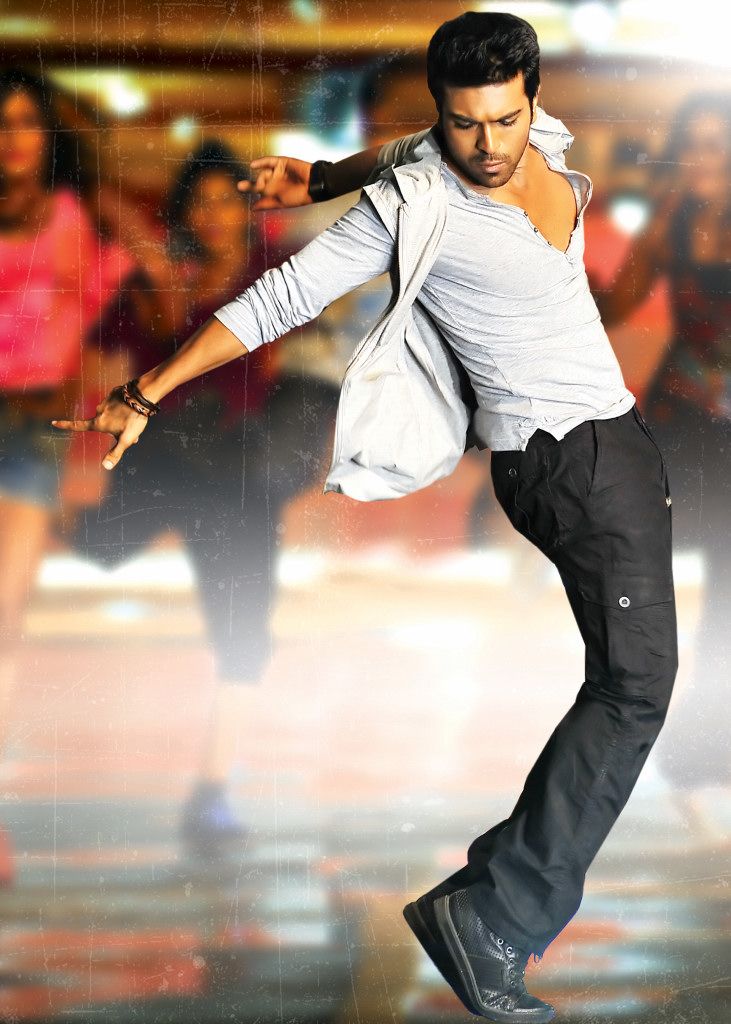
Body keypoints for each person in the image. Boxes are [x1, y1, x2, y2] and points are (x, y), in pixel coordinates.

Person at [52, 12, 679, 1023]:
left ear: (530, 99)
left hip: (614, 443)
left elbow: (399, 147)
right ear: (442, 114)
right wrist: (145, 391)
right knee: (633, 688)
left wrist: (317, 175)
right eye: (464, 125)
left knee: (631, 682)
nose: (486, 145)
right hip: (566, 462)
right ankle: (493, 919)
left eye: (504, 119)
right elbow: (276, 299)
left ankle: (492, 904)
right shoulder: (416, 202)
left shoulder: (527, 139)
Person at [67, 140, 341, 852]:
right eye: (201, 201)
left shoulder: (277, 274)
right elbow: (100, 347)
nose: (214, 214)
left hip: (236, 480)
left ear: (251, 212)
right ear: (184, 211)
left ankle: (212, 792)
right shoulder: (160, 278)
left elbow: (315, 363)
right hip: (159, 464)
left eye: (228, 200)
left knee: (243, 632)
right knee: (90, 546)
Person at [0, 67, 135, 884]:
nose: (12, 138)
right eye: (1, 122)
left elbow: (93, 317)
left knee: (3, 617)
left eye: (26, 121)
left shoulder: (72, 217)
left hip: (28, 433)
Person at [591, 92, 730, 830]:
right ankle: (647, 732)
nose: (704, 159)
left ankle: (704, 750)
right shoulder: (674, 218)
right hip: (681, 424)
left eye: (717, 145)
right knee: (645, 578)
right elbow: (616, 306)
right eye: (693, 146)